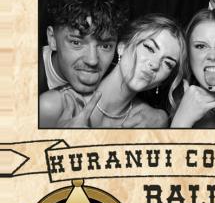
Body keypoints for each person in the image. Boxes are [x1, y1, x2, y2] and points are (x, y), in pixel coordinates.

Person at [39, 14, 187, 128]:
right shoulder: (53, 105)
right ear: (122, 47)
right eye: (149, 48)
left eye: (168, 63)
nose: (155, 64)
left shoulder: (150, 120)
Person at [38, 0, 129, 102]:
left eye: (105, 46)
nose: (92, 61)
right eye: (76, 43)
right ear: (52, 39)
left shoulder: (117, 78)